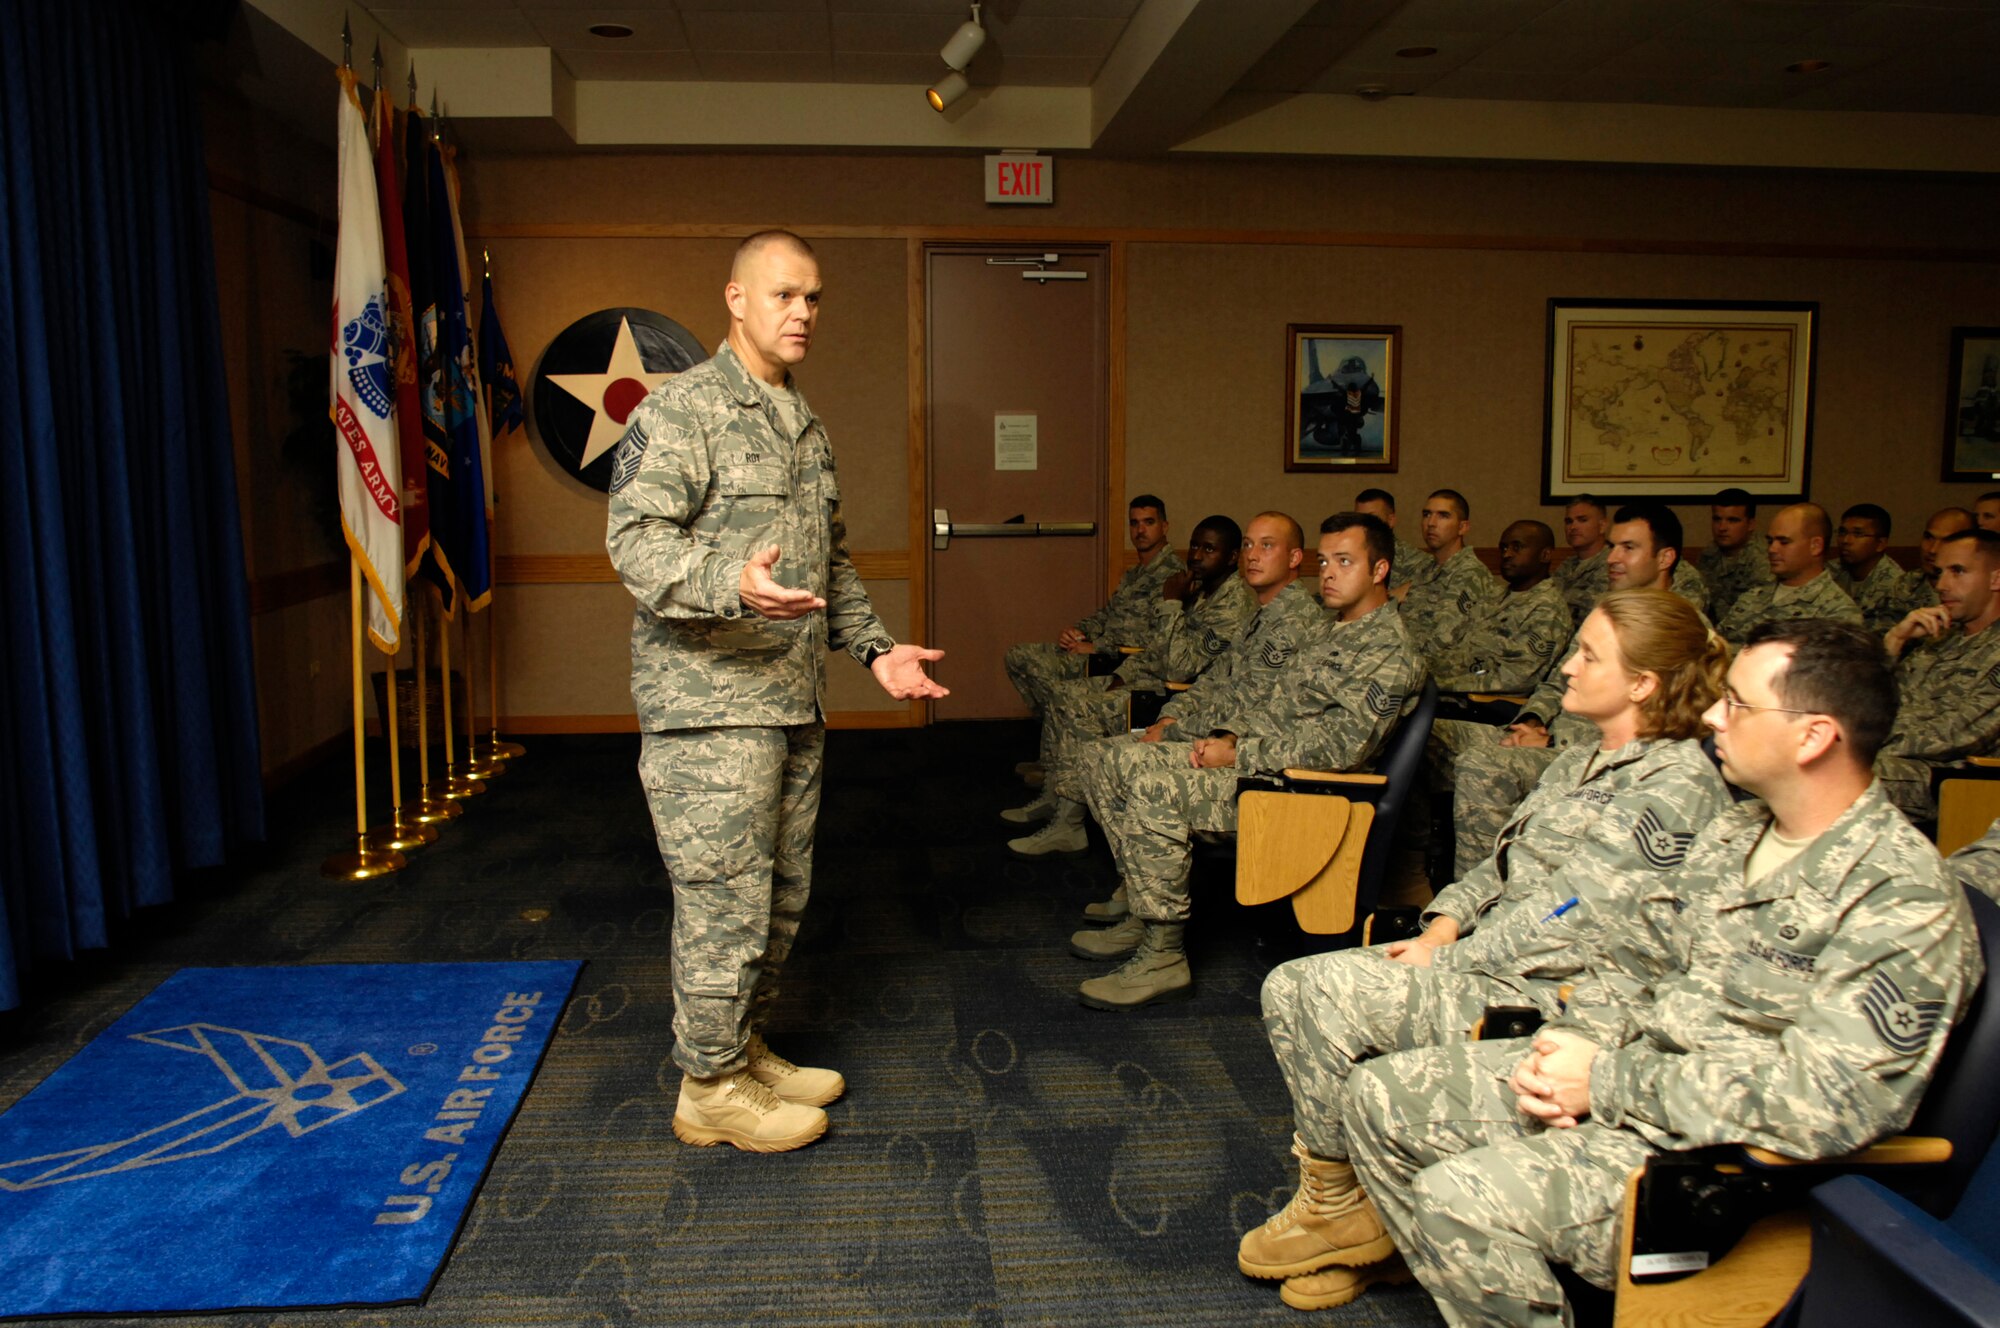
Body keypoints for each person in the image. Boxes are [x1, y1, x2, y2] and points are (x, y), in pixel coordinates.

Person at [1336, 619, 1982, 1326]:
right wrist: (1571, 1047)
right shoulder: (1740, 831)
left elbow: (1821, 1105)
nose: (1710, 715)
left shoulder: (1901, 897)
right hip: (1638, 1085)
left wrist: (1607, 1082)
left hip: (1726, 1163)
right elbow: (1647, 969)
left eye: (1737, 703)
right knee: (1378, 1096)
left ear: (1813, 736)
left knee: (1456, 1202)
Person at [1239, 589, 1729, 1311]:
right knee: (1301, 987)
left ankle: (1347, 1208)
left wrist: (1451, 958)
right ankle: (1360, 1213)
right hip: (1491, 960)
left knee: (1309, 990)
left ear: (1642, 684)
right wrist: (1440, 925)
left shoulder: (1674, 785)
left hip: (1553, 994)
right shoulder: (1581, 761)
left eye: (1589, 655)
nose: (1566, 666)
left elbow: (1568, 917)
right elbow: (1499, 867)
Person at [605, 230, 948, 1154]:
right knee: (723, 899)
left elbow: (828, 565)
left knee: (778, 895)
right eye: (785, 295)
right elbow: (635, 543)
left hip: (790, 702)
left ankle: (741, 1047)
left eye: (815, 298)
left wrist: (875, 652)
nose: (803, 313)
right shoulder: (681, 412)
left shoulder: (802, 421)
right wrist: (731, 581)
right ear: (736, 299)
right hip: (711, 706)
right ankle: (708, 1084)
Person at [1070, 512, 1423, 1009]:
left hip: (1305, 794)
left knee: (1153, 786)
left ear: (1380, 570)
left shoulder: (1389, 649)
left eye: (1345, 562)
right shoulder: (1332, 631)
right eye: (1325, 561)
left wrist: (1238, 752)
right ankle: (1145, 913)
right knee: (1117, 762)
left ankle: (1163, 955)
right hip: (1260, 766)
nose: (1328, 573)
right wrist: (1223, 738)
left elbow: (1341, 750)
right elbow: (1272, 707)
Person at [1440, 504, 1704, 877]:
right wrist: (1531, 721)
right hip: (1548, 735)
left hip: (1591, 759)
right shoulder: (1608, 613)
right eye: (1612, 546)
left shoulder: (1680, 632)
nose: (1612, 558)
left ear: (1665, 557)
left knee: (1482, 765)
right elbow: (1557, 681)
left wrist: (1553, 743)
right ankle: (1417, 883)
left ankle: (1484, 904)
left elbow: (1651, 734)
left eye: (1628, 548)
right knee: (1425, 738)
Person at [1003, 515, 1256, 858]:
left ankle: (1069, 824)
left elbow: (1179, 668)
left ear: (1231, 557)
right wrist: (1122, 675)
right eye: (1195, 545)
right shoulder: (1198, 589)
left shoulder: (1231, 602)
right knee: (1065, 694)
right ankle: (1057, 797)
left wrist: (1171, 604)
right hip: (1143, 679)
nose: (1196, 555)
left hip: (1173, 697)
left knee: (1079, 707)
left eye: (1209, 548)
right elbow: (1154, 647)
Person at [1002, 495, 1184, 779]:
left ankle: (1058, 764)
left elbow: (1152, 636)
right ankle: (1055, 752)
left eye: (1149, 522)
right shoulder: (1134, 574)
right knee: (1019, 656)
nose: (1140, 530)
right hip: (1099, 650)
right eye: (1134, 523)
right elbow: (1109, 614)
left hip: (1123, 663)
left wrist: (1095, 645)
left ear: (1165, 526)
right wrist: (1079, 631)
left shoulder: (1173, 576)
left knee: (1059, 691)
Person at [1875, 527, 2000, 820]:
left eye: (1957, 571)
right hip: (1888, 759)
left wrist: (1857, 740)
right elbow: (1868, 701)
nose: (1942, 585)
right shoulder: (1940, 638)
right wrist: (1893, 642)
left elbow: (1957, 734)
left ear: (1996, 578)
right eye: (1939, 572)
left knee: (1816, 773)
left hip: (1952, 782)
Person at [1427, 519, 1569, 696]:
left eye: (1517, 547)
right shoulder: (1493, 597)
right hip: (1445, 691)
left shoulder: (1548, 609)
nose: (1507, 554)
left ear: (1545, 555)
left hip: (1485, 706)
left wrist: (1439, 685)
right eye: (1503, 548)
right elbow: (1454, 648)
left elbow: (1518, 679)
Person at [1714, 502, 1862, 646]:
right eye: (1770, 541)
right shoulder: (1754, 596)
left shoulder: (1838, 614)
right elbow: (1717, 644)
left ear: (1815, 546)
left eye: (1784, 542)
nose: (1772, 549)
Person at [1400, 489, 1501, 659]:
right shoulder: (1426, 568)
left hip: (1441, 674)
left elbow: (1443, 642)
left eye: (1443, 516)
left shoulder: (1469, 573)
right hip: (1407, 662)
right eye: (1426, 515)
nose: (1431, 523)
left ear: (1463, 527)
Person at [1833, 502, 1936, 636]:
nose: (1846, 540)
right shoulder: (1832, 570)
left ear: (1880, 544)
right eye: (1842, 532)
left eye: (1858, 534)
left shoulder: (1896, 585)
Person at [1697, 488, 1773, 623]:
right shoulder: (1710, 552)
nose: (1722, 527)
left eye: (1732, 520)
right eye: (1717, 519)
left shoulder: (1763, 558)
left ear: (1750, 524)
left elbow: (1758, 613)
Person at [1353, 488, 1431, 597]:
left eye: (1372, 518)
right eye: (1359, 519)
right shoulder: (1348, 557)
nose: (1365, 525)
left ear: (1391, 520)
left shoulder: (1419, 563)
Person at [1549, 496, 1610, 629]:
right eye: (1569, 521)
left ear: (1602, 526)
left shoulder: (1612, 563)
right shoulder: (1568, 565)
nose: (1573, 527)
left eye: (1582, 520)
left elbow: (1593, 610)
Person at [1919, 506, 1976, 588]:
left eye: (1946, 541)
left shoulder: (1980, 590)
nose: (1932, 550)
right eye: (1929, 538)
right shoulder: (1906, 584)